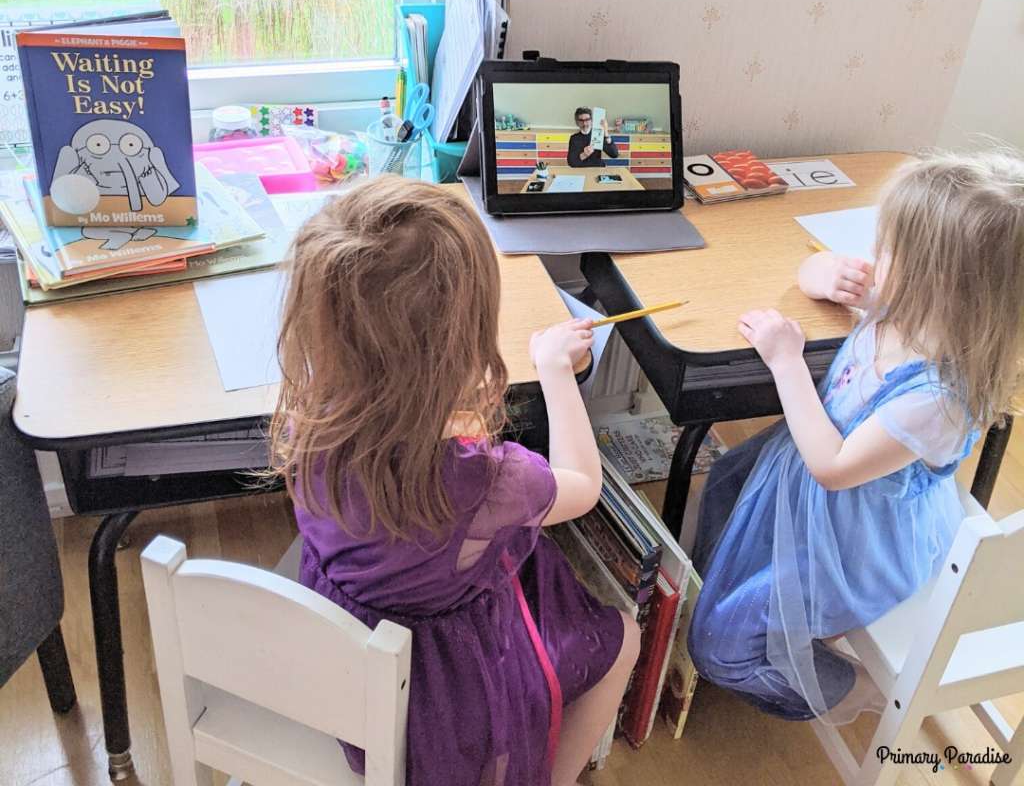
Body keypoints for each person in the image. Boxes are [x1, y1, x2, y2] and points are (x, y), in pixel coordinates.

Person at [271, 176, 640, 786]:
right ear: (460, 342)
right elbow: (583, 482)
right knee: (621, 636)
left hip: (339, 668)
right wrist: (553, 370)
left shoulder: (307, 424)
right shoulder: (493, 483)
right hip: (445, 706)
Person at [687, 149, 1024, 724]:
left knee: (718, 645)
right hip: (807, 488)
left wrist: (787, 361)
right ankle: (722, 596)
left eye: (888, 249)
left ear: (940, 283)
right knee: (722, 480)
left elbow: (834, 467)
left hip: (855, 537)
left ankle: (856, 688)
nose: (874, 257)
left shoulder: (940, 397)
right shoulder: (911, 311)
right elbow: (818, 277)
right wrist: (822, 274)